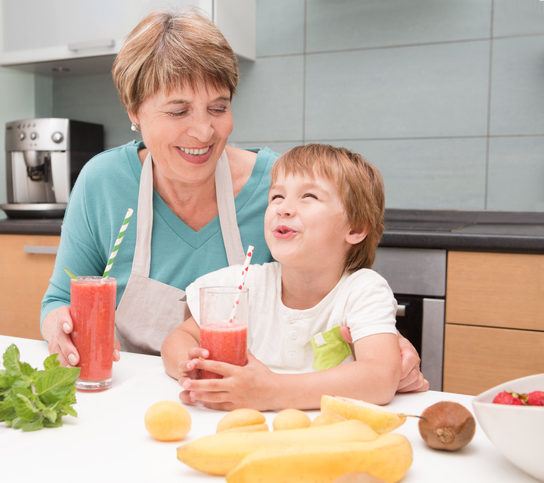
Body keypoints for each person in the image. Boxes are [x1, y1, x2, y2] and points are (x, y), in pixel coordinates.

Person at [40, 7, 428, 393]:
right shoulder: (102, 182)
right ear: (134, 111)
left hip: (248, 401)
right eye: (178, 110)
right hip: (126, 394)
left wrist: (387, 351)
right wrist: (61, 327)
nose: (204, 130)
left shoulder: (282, 189)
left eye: (219, 107)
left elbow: (332, 301)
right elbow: (59, 299)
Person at [161, 144, 401, 410]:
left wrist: (271, 392)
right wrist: (193, 367)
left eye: (308, 196)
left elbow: (381, 377)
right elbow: (179, 338)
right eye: (276, 197)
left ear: (355, 228)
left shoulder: (363, 291)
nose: (283, 209)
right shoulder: (241, 284)